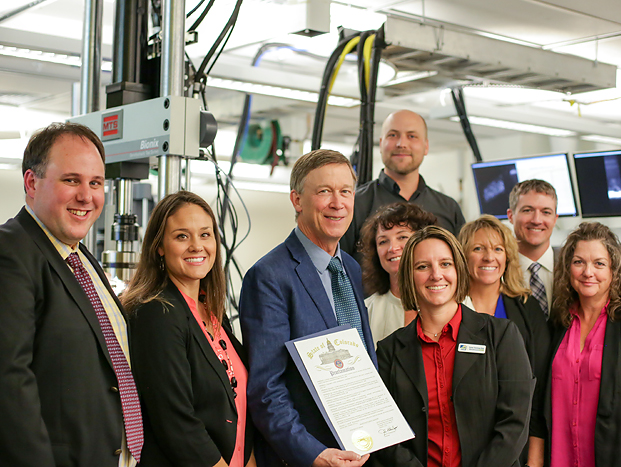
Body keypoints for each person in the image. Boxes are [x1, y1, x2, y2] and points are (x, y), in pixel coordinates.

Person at [0, 122, 142, 466]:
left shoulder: (78, 257)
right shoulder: (11, 251)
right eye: (71, 180)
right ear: (32, 183)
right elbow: (9, 384)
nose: (86, 196)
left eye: (95, 183)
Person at [239, 149, 376, 467]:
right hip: (305, 458)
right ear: (297, 200)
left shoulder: (352, 270)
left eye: (345, 191)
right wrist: (312, 454)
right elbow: (266, 388)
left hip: (358, 451)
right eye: (324, 191)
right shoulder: (269, 276)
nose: (337, 203)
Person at [374, 226, 534, 467]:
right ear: (409, 275)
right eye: (422, 266)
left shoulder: (501, 336)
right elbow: (385, 432)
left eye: (445, 264)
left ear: (458, 270)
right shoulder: (389, 351)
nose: (436, 275)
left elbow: (514, 424)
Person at [121, 191, 254, 467]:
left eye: (205, 235)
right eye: (182, 236)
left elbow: (238, 404)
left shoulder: (211, 310)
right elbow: (175, 420)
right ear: (160, 246)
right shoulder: (157, 313)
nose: (197, 246)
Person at [529, 222, 621, 467]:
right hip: (558, 459)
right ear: (568, 268)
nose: (588, 272)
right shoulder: (558, 321)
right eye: (579, 262)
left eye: (599, 263)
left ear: (614, 270)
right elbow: (538, 403)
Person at [458, 215, 550, 463]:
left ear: (507, 256)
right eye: (479, 249)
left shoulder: (527, 307)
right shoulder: (449, 308)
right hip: (458, 442)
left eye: (498, 249)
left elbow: (540, 387)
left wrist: (535, 455)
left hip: (516, 445)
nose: (489, 257)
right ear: (463, 256)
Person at [340, 109, 465, 262]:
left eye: (411, 136)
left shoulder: (449, 208)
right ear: (381, 144)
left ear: (426, 146)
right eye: (393, 135)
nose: (401, 144)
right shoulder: (354, 205)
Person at [358, 202, 437, 344]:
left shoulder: (455, 302)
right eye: (383, 241)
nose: (392, 248)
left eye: (402, 237)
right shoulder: (366, 311)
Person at [507, 179, 559, 317]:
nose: (536, 220)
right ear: (510, 216)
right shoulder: (498, 272)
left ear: (555, 219)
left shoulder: (573, 269)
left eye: (546, 212)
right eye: (528, 210)